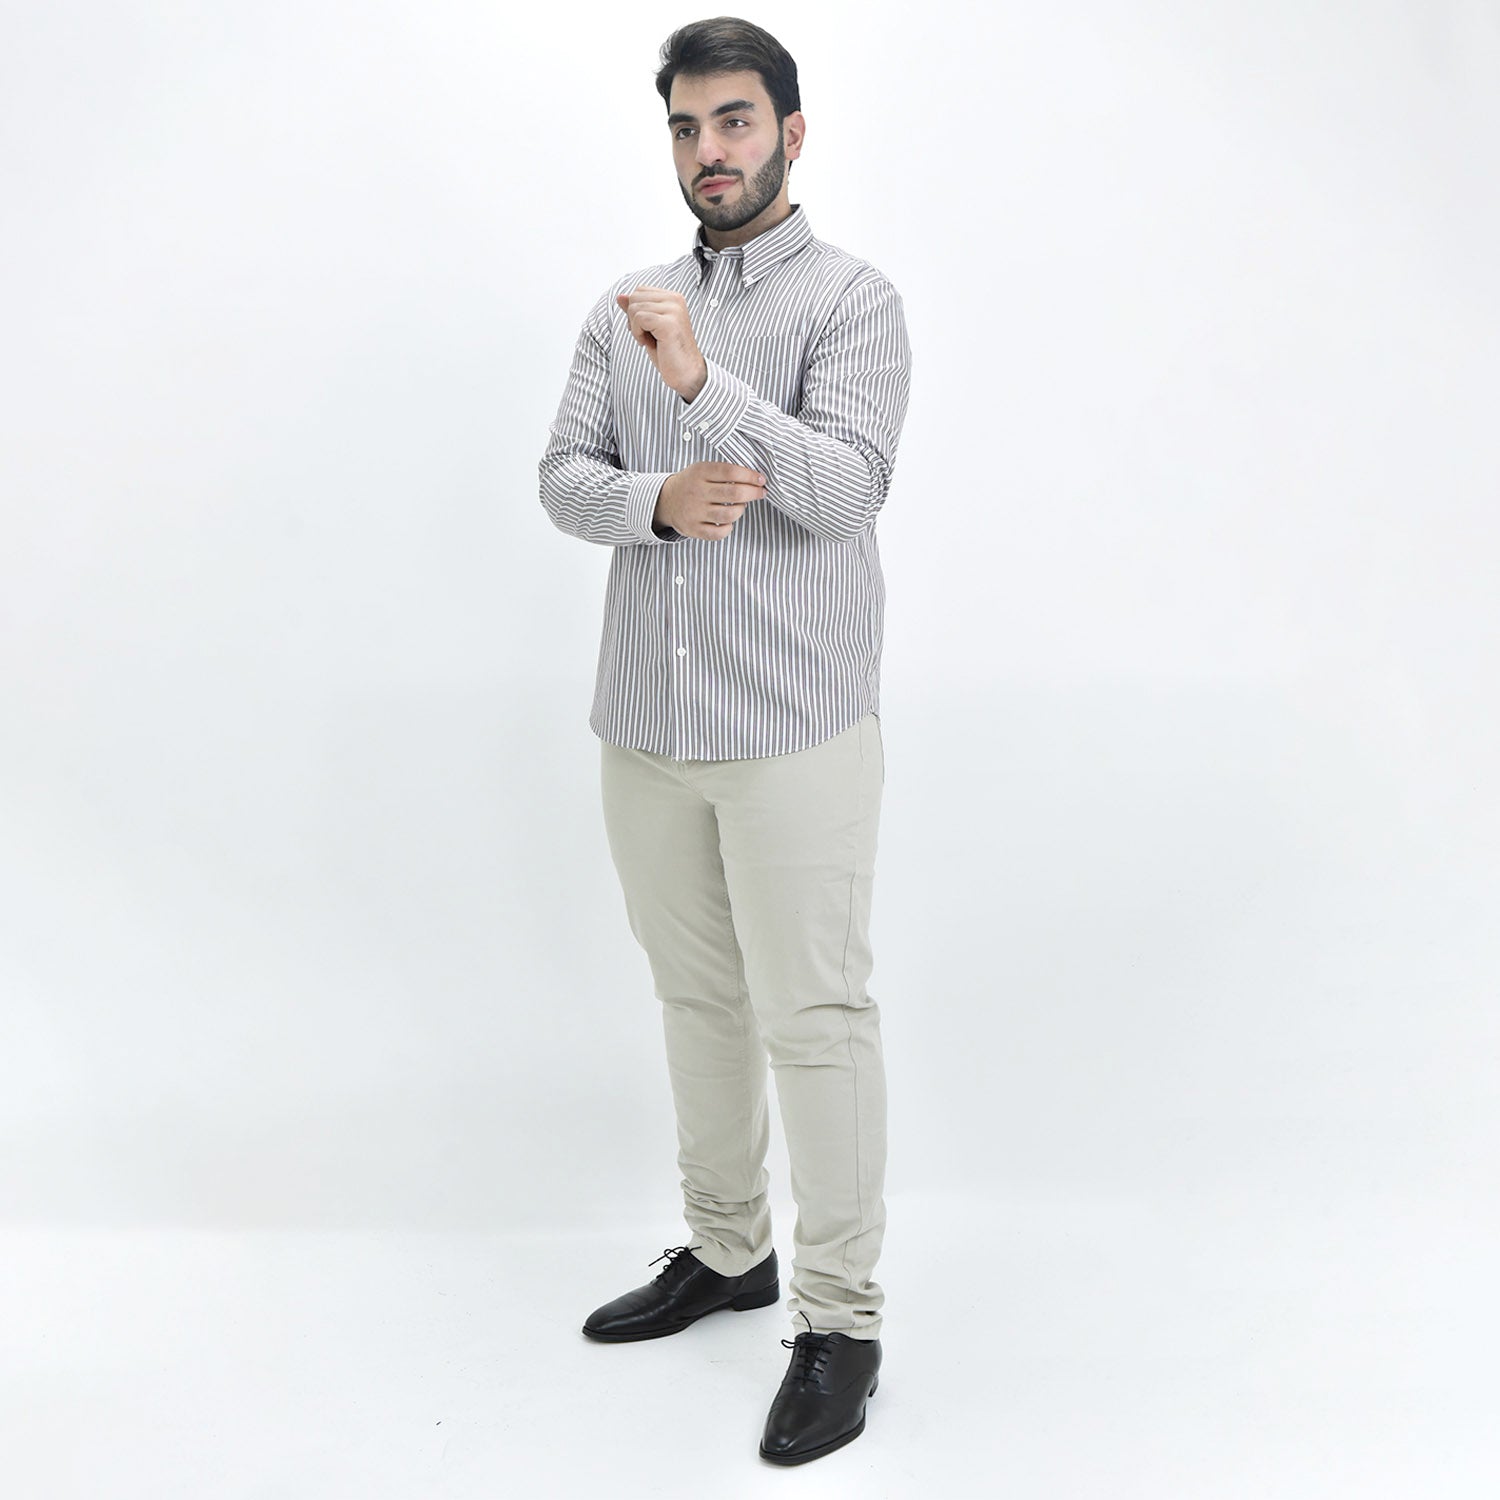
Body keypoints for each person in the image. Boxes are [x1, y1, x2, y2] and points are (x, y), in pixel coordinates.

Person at [538, 15, 912, 1466]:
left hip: (791, 728)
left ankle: (840, 1321)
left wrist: (704, 387)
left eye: (735, 121)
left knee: (813, 1017)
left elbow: (846, 492)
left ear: (791, 134)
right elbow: (562, 477)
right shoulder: (622, 305)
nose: (710, 151)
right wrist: (653, 501)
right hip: (646, 724)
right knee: (696, 999)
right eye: (688, 128)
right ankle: (726, 1249)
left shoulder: (853, 302)